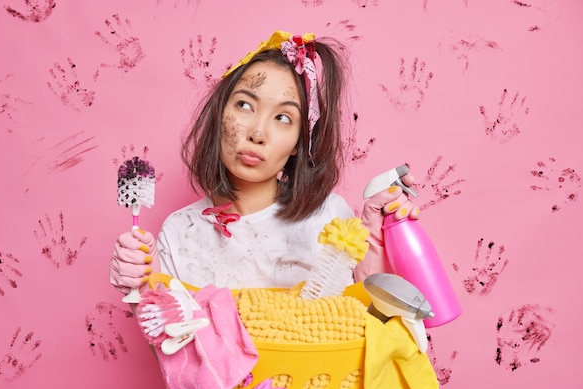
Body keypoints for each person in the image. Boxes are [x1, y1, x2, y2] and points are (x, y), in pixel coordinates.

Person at [109, 29, 419, 295]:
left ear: (300, 143)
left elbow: (370, 323)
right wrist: (145, 288)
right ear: (219, 115)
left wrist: (381, 235)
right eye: (245, 105)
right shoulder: (180, 232)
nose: (258, 133)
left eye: (283, 117)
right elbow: (170, 357)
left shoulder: (329, 219)